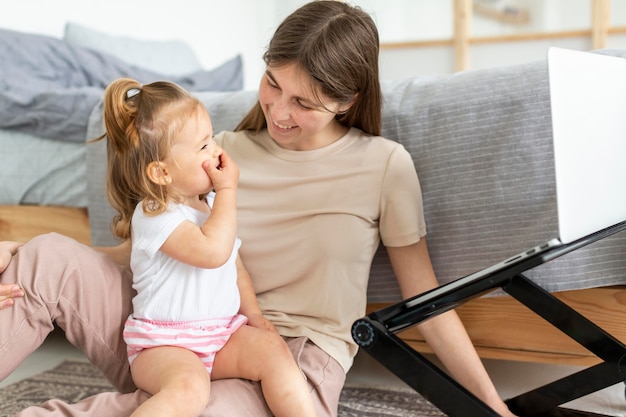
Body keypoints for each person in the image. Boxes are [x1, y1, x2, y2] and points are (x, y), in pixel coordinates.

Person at [0, 2, 517, 416]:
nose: (280, 112)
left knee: (195, 409)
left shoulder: (384, 165)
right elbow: (148, 248)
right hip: (169, 335)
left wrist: (493, 407)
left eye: (305, 103)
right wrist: (22, 251)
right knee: (45, 258)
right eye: (273, 83)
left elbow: (426, 298)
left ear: (347, 99)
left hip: (284, 358)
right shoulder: (219, 151)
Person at [98, 77, 317, 417]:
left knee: (274, 351)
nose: (216, 152)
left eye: (211, 138)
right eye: (202, 147)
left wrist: (254, 315)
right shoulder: (155, 214)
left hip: (221, 334)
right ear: (161, 173)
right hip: (165, 344)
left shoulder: (212, 205)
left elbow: (233, 262)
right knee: (190, 388)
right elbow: (212, 253)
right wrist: (229, 191)